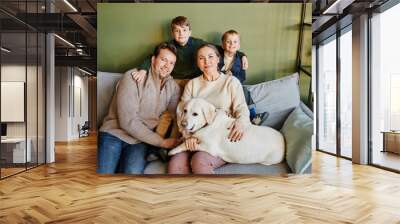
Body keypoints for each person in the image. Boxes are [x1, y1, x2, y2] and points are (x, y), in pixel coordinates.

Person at [97, 42, 181, 174]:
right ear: (153, 60)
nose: (167, 66)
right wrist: (161, 142)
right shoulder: (132, 77)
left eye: (171, 63)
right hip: (114, 134)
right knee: (103, 173)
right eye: (163, 60)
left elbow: (174, 114)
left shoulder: (173, 87)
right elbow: (128, 121)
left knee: (132, 175)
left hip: (140, 141)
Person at [168, 44, 251, 174]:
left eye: (210, 56)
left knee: (199, 161)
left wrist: (241, 122)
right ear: (198, 63)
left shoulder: (231, 82)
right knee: (175, 164)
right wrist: (187, 136)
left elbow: (241, 108)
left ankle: (207, 194)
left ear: (218, 59)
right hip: (194, 137)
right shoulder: (192, 84)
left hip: (219, 139)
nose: (206, 61)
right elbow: (181, 112)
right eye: (201, 58)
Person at [132, 16, 249, 86]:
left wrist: (242, 55)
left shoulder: (199, 43)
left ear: (190, 32)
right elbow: (152, 57)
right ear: (172, 33)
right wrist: (143, 70)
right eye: (177, 31)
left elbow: (223, 48)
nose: (181, 34)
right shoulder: (169, 46)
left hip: (196, 80)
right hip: (176, 80)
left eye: (184, 30)